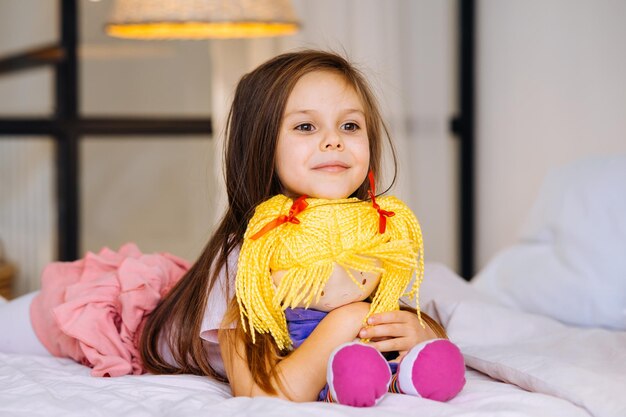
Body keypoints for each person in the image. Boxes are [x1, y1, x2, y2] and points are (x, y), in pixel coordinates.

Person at [0, 50, 461, 403]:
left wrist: (422, 333)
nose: (333, 139)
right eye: (305, 127)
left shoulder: (377, 236)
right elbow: (261, 395)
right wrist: (347, 322)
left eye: (350, 125)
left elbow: (393, 312)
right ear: (260, 146)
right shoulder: (249, 254)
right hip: (117, 314)